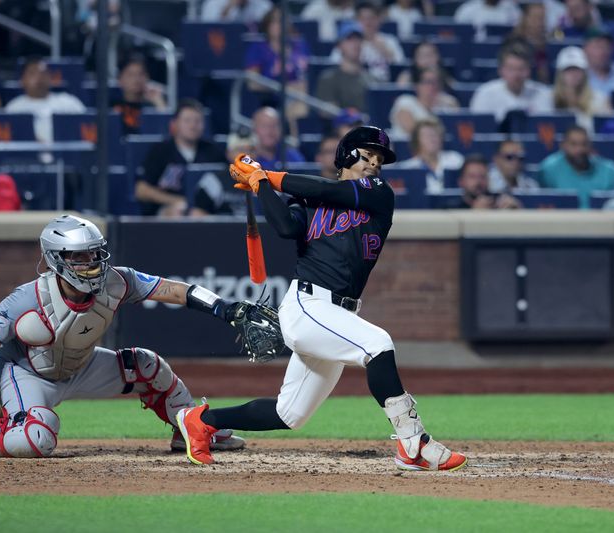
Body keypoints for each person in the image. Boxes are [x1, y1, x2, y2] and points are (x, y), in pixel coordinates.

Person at [175, 126, 468, 472]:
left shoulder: (378, 193)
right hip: (309, 306)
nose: (374, 163)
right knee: (377, 344)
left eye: (379, 159)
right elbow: (285, 226)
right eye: (367, 155)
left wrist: (264, 175)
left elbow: (327, 188)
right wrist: (262, 187)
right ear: (346, 155)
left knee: (290, 413)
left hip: (337, 313)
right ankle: (413, 444)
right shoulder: (309, 201)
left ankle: (201, 421)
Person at [0, 214, 247, 458]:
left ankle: (191, 429)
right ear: (55, 259)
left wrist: (223, 307)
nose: (90, 263)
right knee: (37, 439)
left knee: (148, 366)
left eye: (93, 254)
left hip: (82, 367)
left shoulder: (117, 281)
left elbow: (175, 290)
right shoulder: (30, 296)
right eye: (79, 257)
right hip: (27, 373)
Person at [135, 99, 225, 216]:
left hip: (206, 211)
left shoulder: (213, 152)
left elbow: (226, 184)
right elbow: (141, 190)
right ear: (175, 124)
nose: (193, 126)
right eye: (187, 121)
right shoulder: (160, 151)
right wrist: (175, 201)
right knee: (179, 211)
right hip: (167, 209)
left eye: (197, 121)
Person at [244, 6, 310, 135]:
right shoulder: (258, 48)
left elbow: (308, 74)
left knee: (301, 96)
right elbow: (252, 82)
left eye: (284, 20)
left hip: (302, 97)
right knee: (296, 100)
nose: (280, 25)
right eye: (275, 21)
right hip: (272, 99)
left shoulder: (300, 46)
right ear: (267, 25)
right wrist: (284, 87)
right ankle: (295, 141)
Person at [537, 125, 614, 208]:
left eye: (584, 144)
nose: (580, 149)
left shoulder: (608, 171)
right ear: (563, 145)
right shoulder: (549, 169)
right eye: (573, 144)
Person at [5, 57, 86, 143]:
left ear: (51, 78)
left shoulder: (69, 102)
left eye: (43, 73)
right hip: (27, 156)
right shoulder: (13, 108)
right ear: (22, 80)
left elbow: (88, 128)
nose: (39, 77)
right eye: (33, 73)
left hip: (65, 154)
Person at [469, 44, 553, 128]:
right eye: (511, 69)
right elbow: (478, 129)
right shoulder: (485, 94)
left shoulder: (543, 94)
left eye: (521, 69)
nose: (516, 75)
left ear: (529, 70)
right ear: (501, 70)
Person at [330, 2, 405, 82]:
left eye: (372, 18)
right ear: (355, 20)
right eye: (362, 19)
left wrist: (386, 51)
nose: (368, 23)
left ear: (379, 20)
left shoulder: (390, 41)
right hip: (354, 85)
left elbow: (401, 69)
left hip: (384, 86)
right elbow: (334, 64)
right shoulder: (348, 41)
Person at [315, 23, 372, 115]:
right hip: (345, 127)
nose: (355, 44)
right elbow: (326, 113)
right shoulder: (329, 78)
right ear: (339, 45)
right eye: (350, 39)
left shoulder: (373, 79)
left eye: (358, 39)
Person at [552, 45, 611, 134]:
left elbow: (606, 133)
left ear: (584, 73)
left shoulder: (599, 99)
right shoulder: (547, 99)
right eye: (568, 70)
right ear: (560, 74)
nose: (573, 74)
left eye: (577, 70)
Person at [389, 67, 459, 139]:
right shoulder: (406, 102)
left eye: (436, 82)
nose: (433, 86)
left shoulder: (445, 106)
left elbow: (455, 131)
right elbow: (415, 133)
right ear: (417, 85)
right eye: (428, 82)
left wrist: (453, 105)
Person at [402, 119, 464, 194]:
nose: (432, 138)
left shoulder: (455, 159)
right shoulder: (408, 167)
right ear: (417, 141)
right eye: (427, 135)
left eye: (435, 135)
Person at [111, 54, 167, 136]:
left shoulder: (153, 107)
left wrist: (159, 102)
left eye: (140, 74)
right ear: (120, 79)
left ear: (147, 77)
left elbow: (167, 132)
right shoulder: (111, 107)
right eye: (130, 75)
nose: (136, 79)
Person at [441, 154, 522, 209]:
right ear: (461, 182)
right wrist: (475, 213)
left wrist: (516, 210)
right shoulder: (451, 208)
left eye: (482, 176)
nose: (478, 181)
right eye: (472, 177)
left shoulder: (499, 202)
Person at [584, 26, 614, 102]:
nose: (603, 52)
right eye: (598, 47)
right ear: (586, 48)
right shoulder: (579, 74)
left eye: (607, 46)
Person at [249, 106, 305, 170]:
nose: (269, 131)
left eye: (274, 125)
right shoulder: (246, 158)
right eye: (264, 126)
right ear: (254, 129)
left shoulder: (292, 156)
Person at [508, 2, 550, 84]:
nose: (539, 22)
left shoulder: (549, 43)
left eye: (542, 18)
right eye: (535, 18)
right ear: (525, 18)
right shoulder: (513, 42)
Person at [454, 0, 521, 40]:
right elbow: (456, 35)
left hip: (504, 51)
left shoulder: (512, 10)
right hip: (473, 51)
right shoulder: (467, 9)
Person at [200, 0, 272, 23]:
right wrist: (228, 8)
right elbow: (208, 33)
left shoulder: (264, 5)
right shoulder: (212, 4)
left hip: (255, 53)